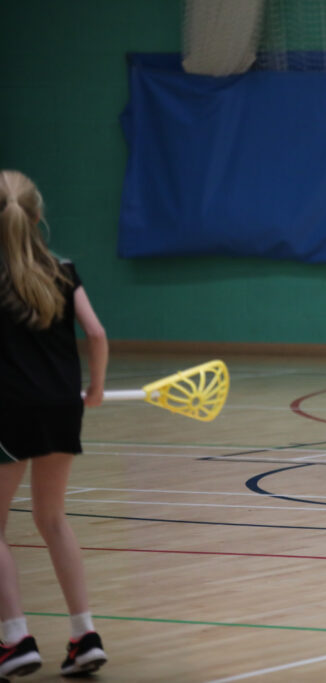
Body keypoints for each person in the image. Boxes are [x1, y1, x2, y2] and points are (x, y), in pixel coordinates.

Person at [0, 170, 109, 678]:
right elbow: (97, 332)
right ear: (37, 216)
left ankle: (15, 639)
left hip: (8, 410)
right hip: (63, 407)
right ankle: (84, 634)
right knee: (53, 518)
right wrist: (96, 388)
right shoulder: (64, 270)